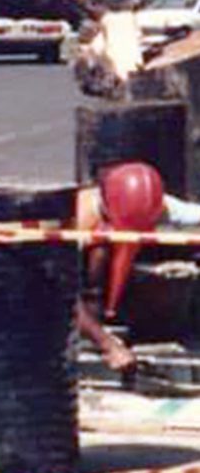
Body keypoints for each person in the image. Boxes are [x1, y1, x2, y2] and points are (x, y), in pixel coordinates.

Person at [74, 161, 200, 376]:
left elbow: (193, 215)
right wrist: (109, 346)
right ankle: (93, 328)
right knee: (99, 251)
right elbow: (60, 296)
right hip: (74, 284)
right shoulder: (76, 220)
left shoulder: (153, 205)